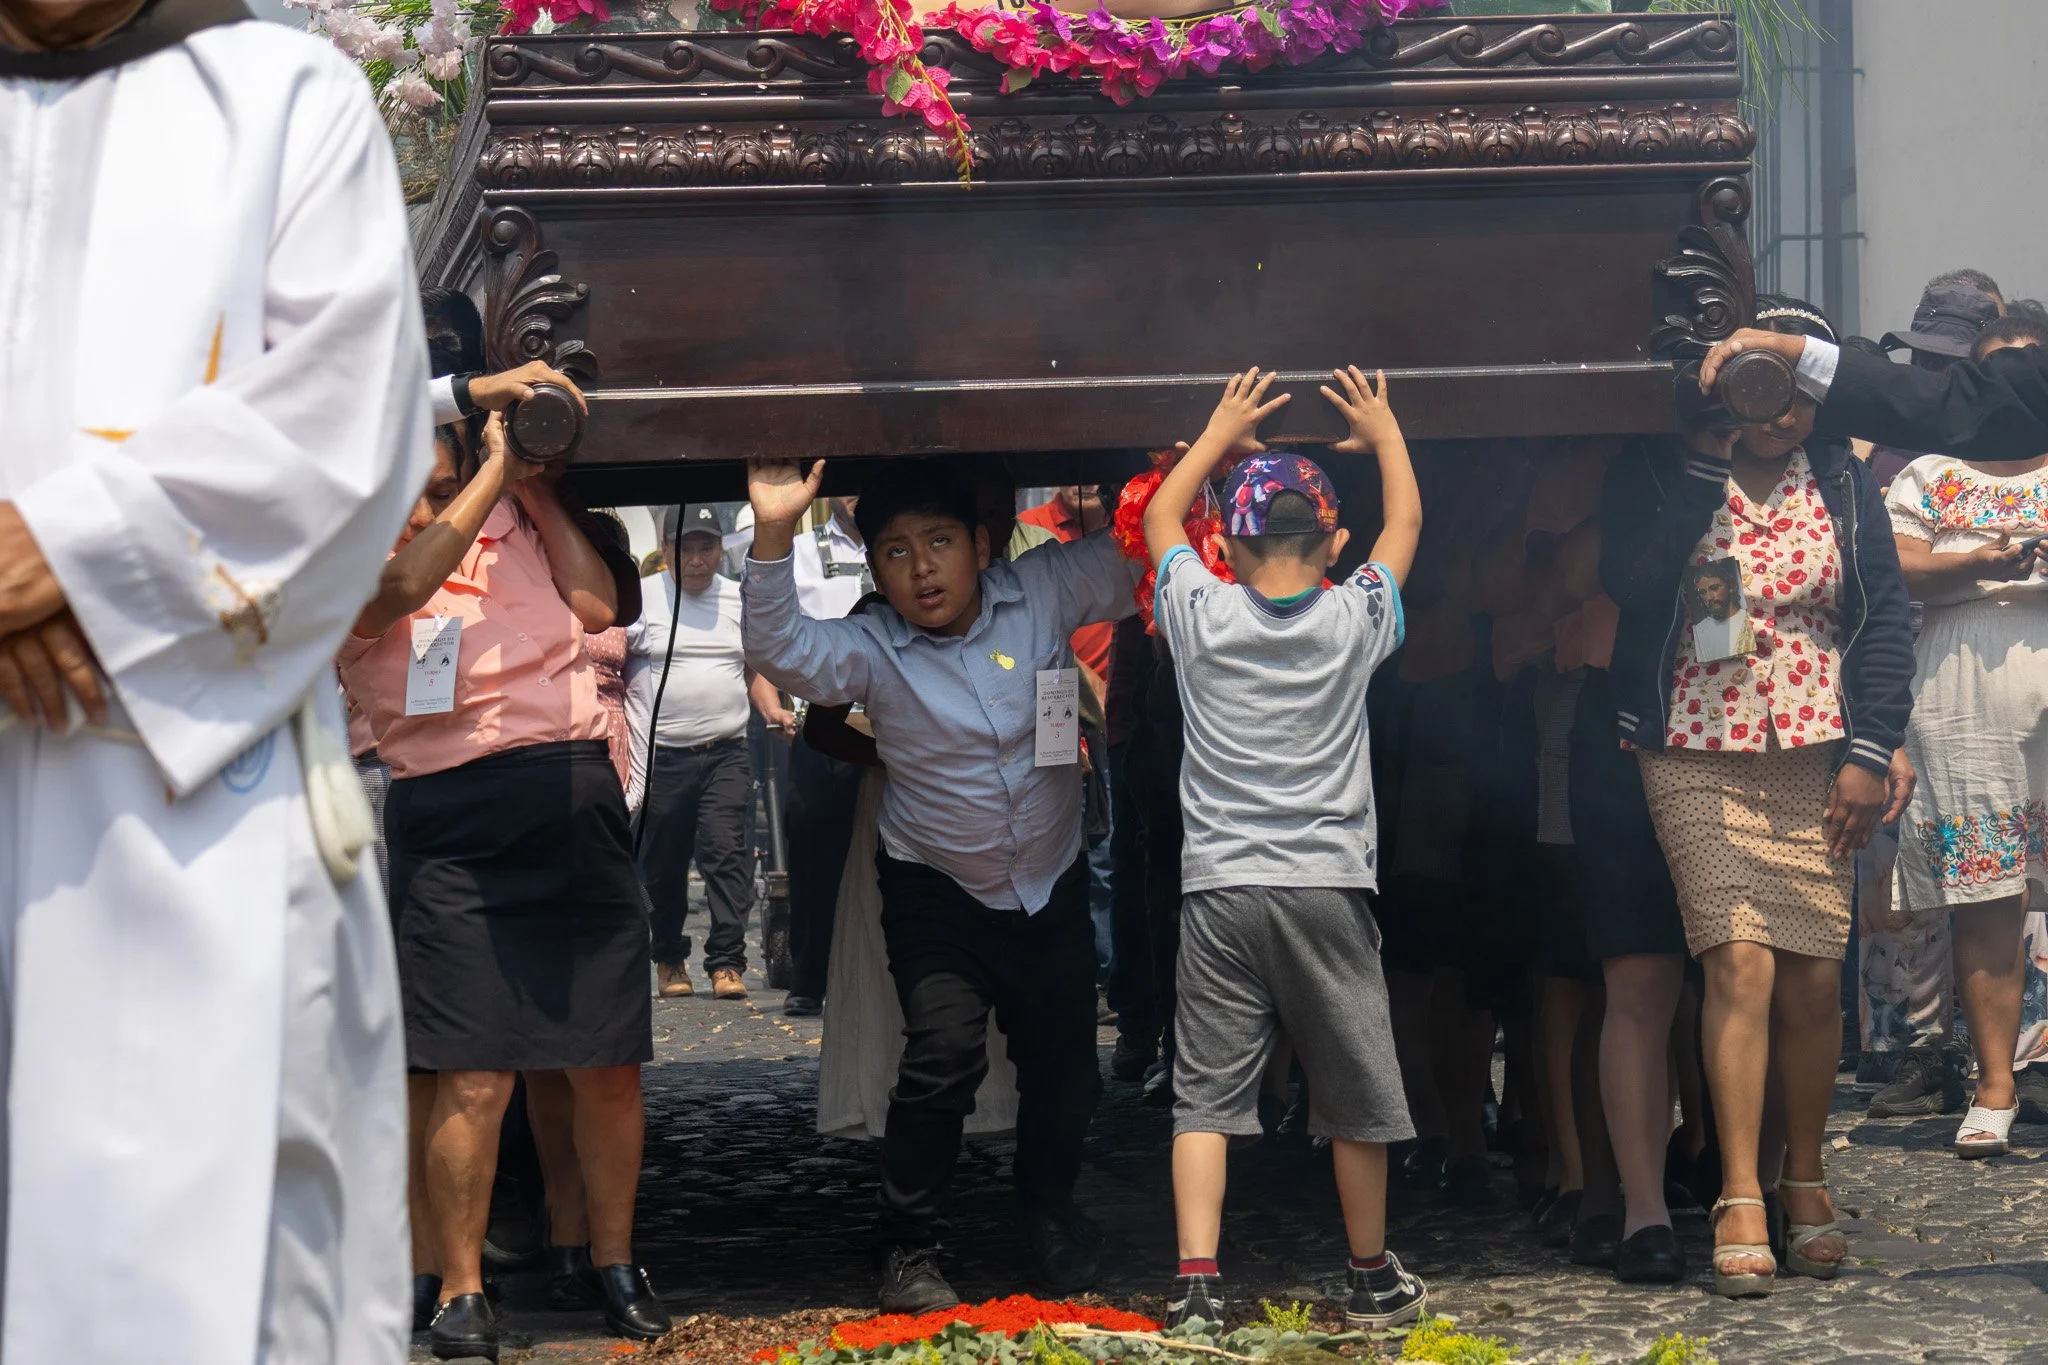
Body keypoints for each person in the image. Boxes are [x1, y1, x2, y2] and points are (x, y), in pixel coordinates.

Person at [0, 1, 428, 1358]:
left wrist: (67, 550)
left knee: (209, 1264)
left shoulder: (285, 98)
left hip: (195, 811)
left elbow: (345, 422)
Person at [742, 455, 1141, 1311]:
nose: (922, 568)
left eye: (939, 542)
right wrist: (772, 530)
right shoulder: (871, 646)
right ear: (875, 570)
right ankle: (907, 1242)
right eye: (896, 551)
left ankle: (1048, 1211)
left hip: (1050, 876)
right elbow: (781, 648)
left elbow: (1134, 556)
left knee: (1067, 1067)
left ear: (982, 546)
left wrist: (1184, 464)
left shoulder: (1042, 590)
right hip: (937, 886)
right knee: (941, 1058)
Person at [339, 414, 669, 1358]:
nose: (425, 508)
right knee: (473, 1071)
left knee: (607, 1060)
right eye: (411, 491)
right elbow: (396, 594)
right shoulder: (354, 555)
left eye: (440, 488)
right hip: (452, 818)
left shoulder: (515, 519)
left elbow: (597, 606)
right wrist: (491, 472)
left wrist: (528, 486)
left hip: (569, 793)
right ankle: (461, 1287)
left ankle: (615, 1262)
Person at [1608, 297, 1916, 1298]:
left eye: (1794, 393)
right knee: (1737, 960)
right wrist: (1705, 460)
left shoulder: (1841, 479)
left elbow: (1883, 617)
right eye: (1758, 390)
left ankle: (1804, 1175)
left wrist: (1871, 747)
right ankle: (1737, 1192)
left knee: (1814, 979)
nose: (1778, 414)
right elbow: (1634, 586)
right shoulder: (1662, 466)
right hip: (1693, 742)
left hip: (1817, 749)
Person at [1142, 366, 1426, 1331]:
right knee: (1353, 1090)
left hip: (1219, 887)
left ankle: (1196, 1283)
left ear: (1224, 546)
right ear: (1336, 544)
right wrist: (1385, 434)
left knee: (1205, 1096)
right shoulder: (1354, 620)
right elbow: (1405, 527)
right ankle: (1370, 1272)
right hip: (1326, 886)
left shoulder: (1199, 613)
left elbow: (1160, 522)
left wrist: (1216, 435)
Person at [1879, 312, 2048, 1158]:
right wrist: (1979, 563)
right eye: (1992, 370)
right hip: (1960, 691)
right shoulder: (1930, 473)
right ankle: (1994, 1085)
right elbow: (1891, 562)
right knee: (1987, 891)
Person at [627, 503, 794, 1000]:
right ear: (666, 551)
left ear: (721, 550)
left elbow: (754, 667)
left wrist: (772, 710)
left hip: (726, 751)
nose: (697, 560)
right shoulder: (642, 598)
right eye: (686, 550)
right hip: (661, 755)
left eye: (706, 548)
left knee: (727, 855)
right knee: (663, 865)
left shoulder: (737, 600)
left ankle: (726, 962)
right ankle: (669, 959)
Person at [782, 492, 873, 1016]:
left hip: (900, 718)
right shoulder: (801, 553)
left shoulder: (902, 544)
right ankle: (809, 977)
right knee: (815, 852)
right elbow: (775, 633)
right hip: (824, 719)